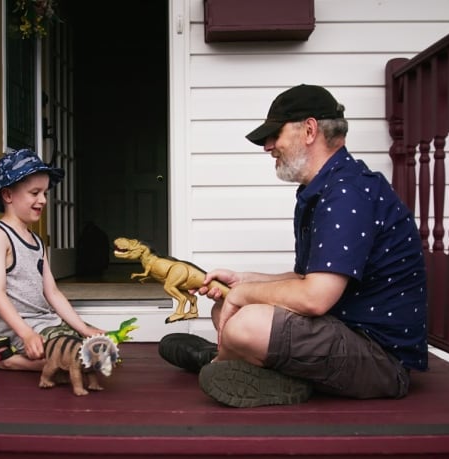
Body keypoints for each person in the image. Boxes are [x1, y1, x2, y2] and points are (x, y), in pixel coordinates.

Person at [158, 84, 428, 408]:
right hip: (343, 330)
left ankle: (226, 361)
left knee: (243, 323)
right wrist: (244, 281)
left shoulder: (347, 192)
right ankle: (244, 363)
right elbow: (308, 279)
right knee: (227, 309)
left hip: (380, 361)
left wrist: (245, 296)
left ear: (310, 130)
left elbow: (314, 298)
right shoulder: (325, 187)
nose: (269, 146)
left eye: (275, 135)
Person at [0, 148, 104, 370]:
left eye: (45, 193)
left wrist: (83, 328)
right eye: (35, 193)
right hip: (18, 329)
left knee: (102, 347)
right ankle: (7, 360)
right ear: (7, 195)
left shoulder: (36, 240)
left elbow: (52, 292)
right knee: (81, 360)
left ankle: (43, 358)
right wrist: (26, 334)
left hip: (46, 322)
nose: (43, 200)